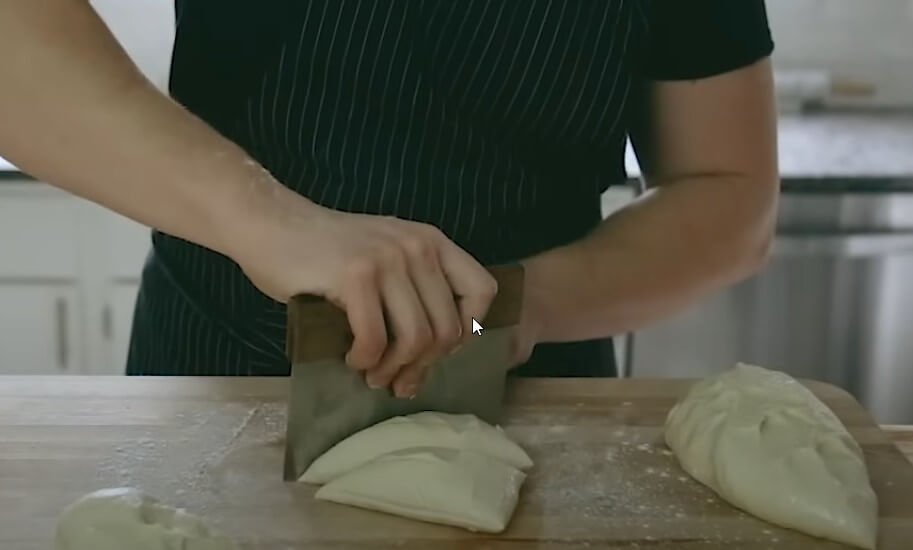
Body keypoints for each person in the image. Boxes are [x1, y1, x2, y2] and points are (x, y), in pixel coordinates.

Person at [0, 1, 778, 398]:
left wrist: (522, 307)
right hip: (216, 366)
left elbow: (729, 195)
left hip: (530, 390)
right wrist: (268, 220)